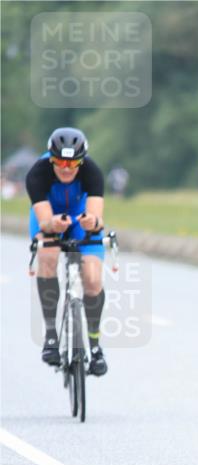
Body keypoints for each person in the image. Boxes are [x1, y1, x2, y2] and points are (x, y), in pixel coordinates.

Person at [25, 127, 108, 374]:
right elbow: (44, 221)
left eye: (73, 163)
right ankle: (51, 335)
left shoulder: (92, 172)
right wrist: (53, 225)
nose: (66, 168)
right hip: (50, 217)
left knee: (92, 279)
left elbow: (97, 218)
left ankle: (94, 345)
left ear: (81, 161)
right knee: (48, 255)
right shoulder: (37, 174)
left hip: (80, 219)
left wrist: (92, 222)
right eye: (60, 161)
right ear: (51, 159)